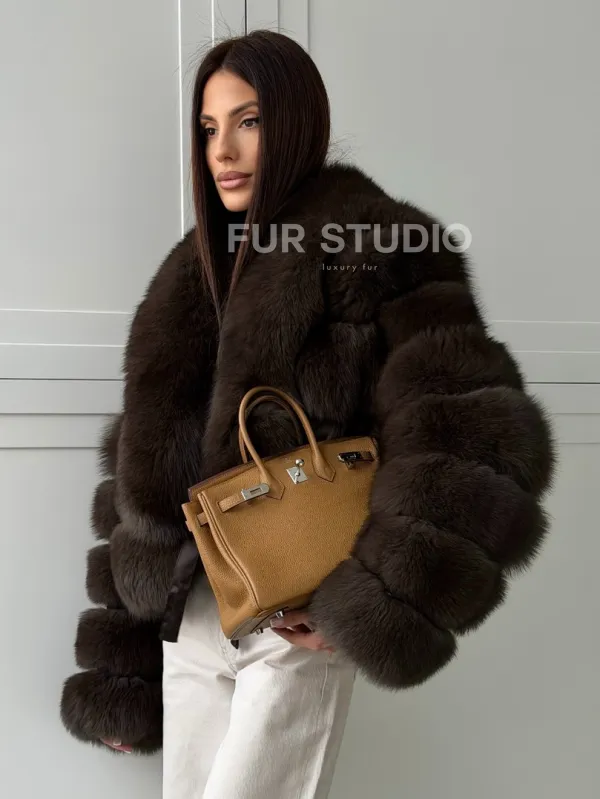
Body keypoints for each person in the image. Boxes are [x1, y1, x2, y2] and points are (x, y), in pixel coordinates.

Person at [60, 29, 555, 799]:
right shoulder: (191, 272)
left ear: (295, 122)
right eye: (209, 127)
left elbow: (473, 438)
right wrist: (123, 670)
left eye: (248, 121)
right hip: (193, 619)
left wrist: (370, 603)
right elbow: (140, 479)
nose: (223, 150)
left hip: (294, 622)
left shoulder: (378, 245)